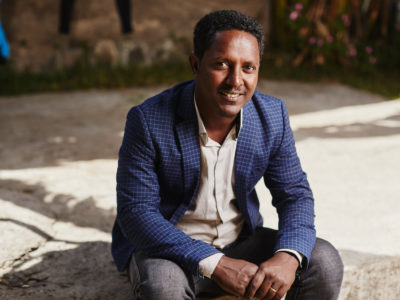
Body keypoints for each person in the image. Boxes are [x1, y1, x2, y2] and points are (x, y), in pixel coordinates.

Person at [112, 9, 343, 300]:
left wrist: (288, 255)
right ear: (195, 65)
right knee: (163, 288)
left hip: (240, 242)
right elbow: (136, 213)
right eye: (222, 64)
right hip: (171, 249)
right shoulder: (148, 120)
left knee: (325, 262)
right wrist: (216, 264)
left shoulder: (271, 116)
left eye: (248, 68)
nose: (235, 81)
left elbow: (294, 194)